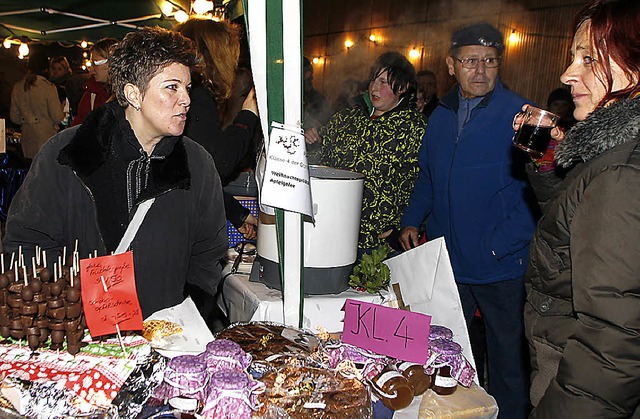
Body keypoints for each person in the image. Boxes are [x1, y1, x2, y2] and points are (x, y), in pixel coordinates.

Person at [3, 27, 228, 318]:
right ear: (133, 94)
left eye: (187, 88)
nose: (185, 99)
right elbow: (27, 243)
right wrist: (67, 310)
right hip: (81, 342)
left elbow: (209, 253)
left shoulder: (197, 164)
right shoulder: (66, 154)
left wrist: (182, 318)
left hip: (162, 342)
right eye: (172, 87)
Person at [399, 23, 537, 418]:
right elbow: (428, 175)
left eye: (490, 61)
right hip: (450, 264)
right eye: (470, 61)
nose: (480, 70)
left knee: (507, 363)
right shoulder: (439, 115)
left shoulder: (522, 116)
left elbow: (538, 193)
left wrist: (498, 243)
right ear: (451, 65)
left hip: (500, 265)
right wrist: (412, 220)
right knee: (449, 356)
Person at [515, 0, 640, 416]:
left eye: (588, 58)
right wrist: (549, 157)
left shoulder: (620, 172)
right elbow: (574, 226)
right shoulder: (611, 154)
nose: (568, 74)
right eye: (574, 57)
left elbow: (612, 342)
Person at [312, 51, 427, 256]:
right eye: (374, 79)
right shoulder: (347, 118)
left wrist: (405, 227)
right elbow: (320, 161)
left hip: (382, 245)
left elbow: (428, 184)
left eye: (384, 82)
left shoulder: (416, 129)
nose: (374, 87)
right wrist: (310, 143)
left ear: (402, 87)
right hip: (336, 233)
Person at [10, 56, 65, 159]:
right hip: (46, 137)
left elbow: (14, 118)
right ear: (46, 68)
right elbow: (57, 117)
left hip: (27, 137)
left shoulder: (18, 87)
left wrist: (27, 119)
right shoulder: (48, 87)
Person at [71, 38, 118, 126]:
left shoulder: (132, 94)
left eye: (96, 63)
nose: (91, 68)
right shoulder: (91, 92)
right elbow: (78, 127)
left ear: (112, 63)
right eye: (91, 63)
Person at [302, 56, 332, 164]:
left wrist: (314, 134)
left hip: (310, 157)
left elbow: (326, 129)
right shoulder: (288, 97)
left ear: (307, 74)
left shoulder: (318, 100)